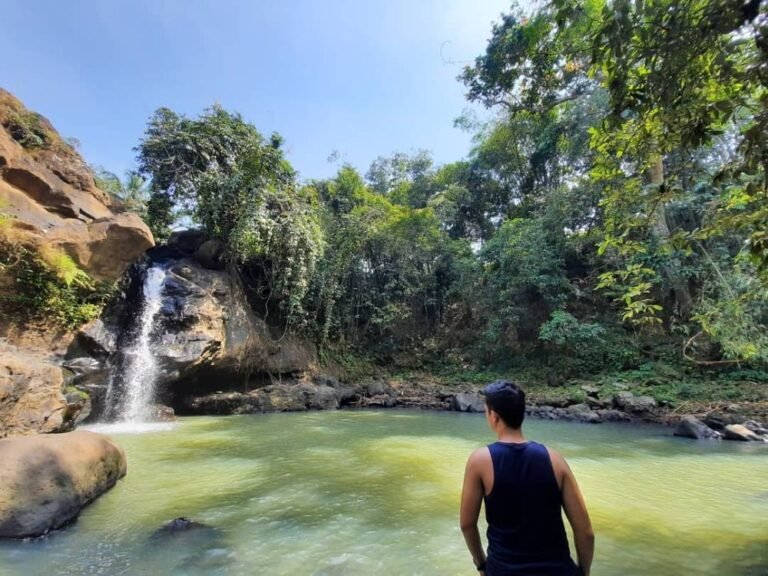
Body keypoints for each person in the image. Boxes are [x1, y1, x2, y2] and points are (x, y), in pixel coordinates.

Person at [460, 380, 594, 575]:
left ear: (494, 416)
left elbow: (467, 525)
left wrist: (482, 565)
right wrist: (583, 571)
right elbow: (585, 532)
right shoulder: (555, 459)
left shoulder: (480, 461)